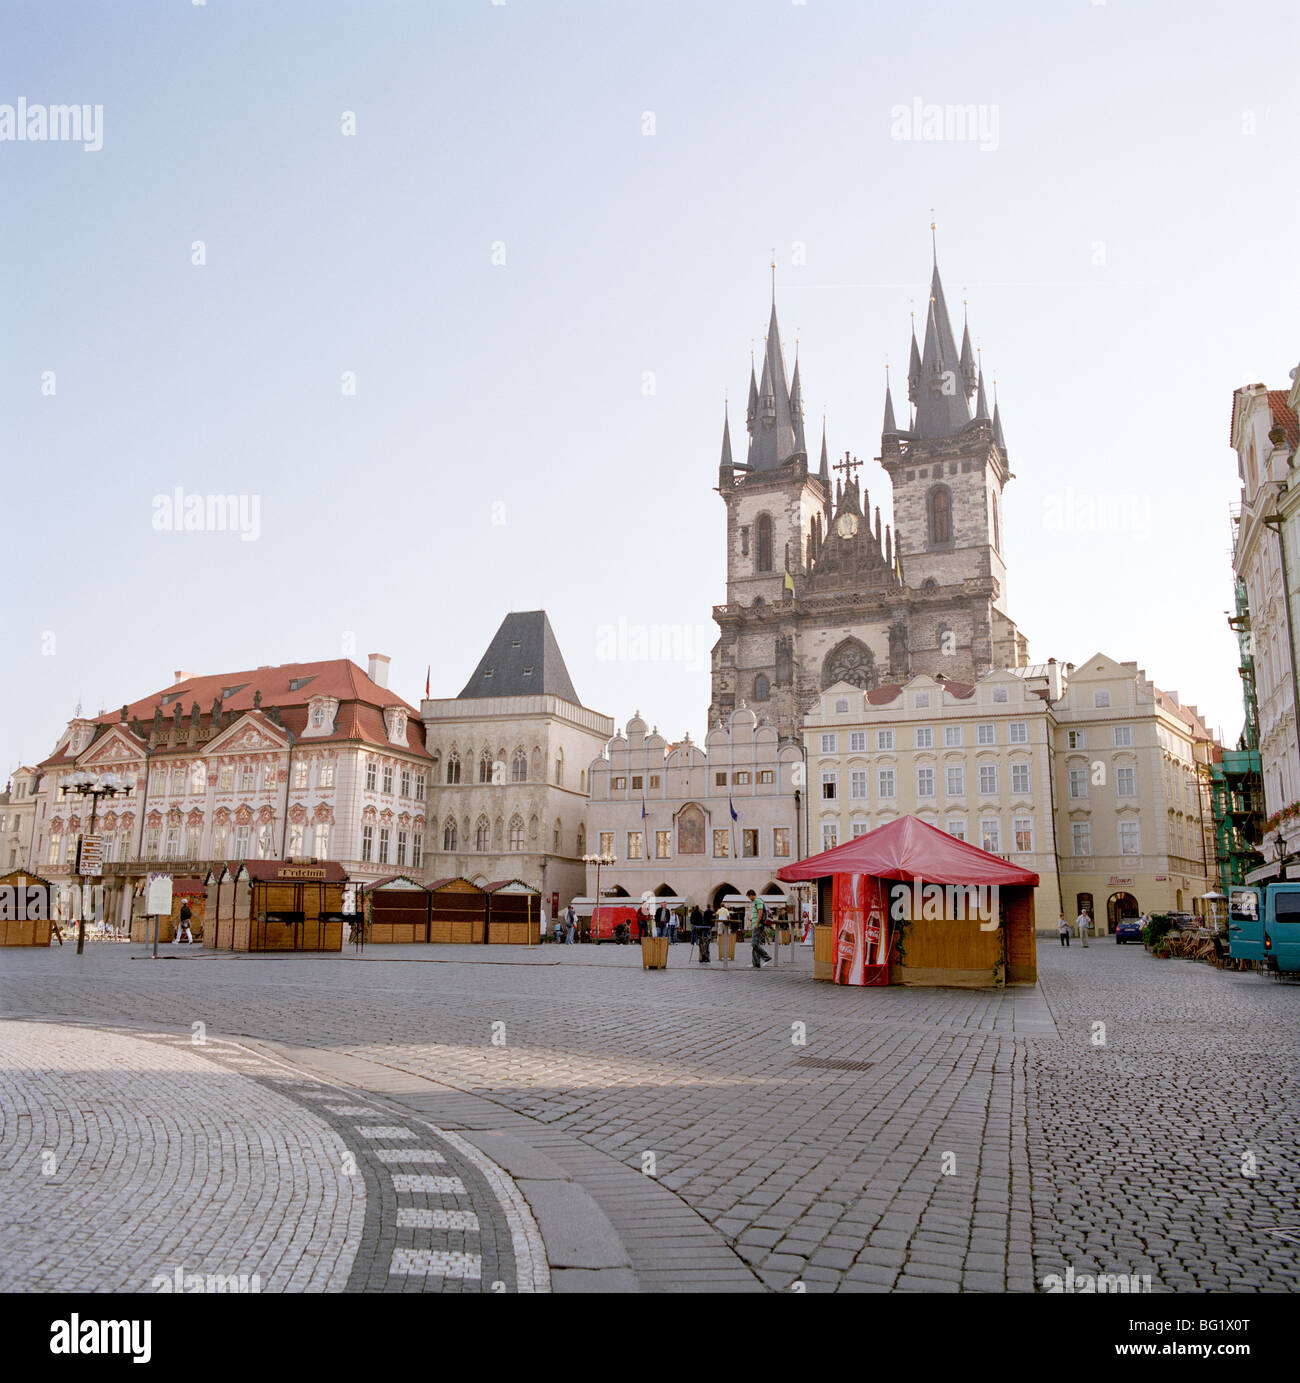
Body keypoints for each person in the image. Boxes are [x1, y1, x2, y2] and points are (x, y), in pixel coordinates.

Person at [747, 889, 771, 968]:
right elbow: (757, 913)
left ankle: (766, 957)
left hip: (758, 925)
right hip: (756, 924)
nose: (749, 899)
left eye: (749, 897)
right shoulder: (756, 902)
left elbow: (760, 912)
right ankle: (756, 963)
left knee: (754, 944)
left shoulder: (758, 901)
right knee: (755, 944)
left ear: (751, 895)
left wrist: (757, 923)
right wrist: (752, 919)